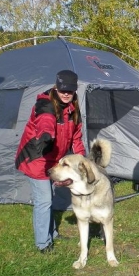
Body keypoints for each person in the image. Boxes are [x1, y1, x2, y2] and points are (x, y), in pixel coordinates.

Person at [15, 70, 86, 253]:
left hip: (54, 160)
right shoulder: (45, 103)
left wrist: (82, 160)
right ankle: (42, 244)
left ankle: (52, 234)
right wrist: (47, 135)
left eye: (69, 91)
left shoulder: (72, 108)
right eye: (63, 90)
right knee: (44, 200)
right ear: (56, 87)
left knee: (49, 198)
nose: (66, 94)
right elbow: (45, 121)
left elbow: (76, 137)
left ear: (74, 91)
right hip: (37, 158)